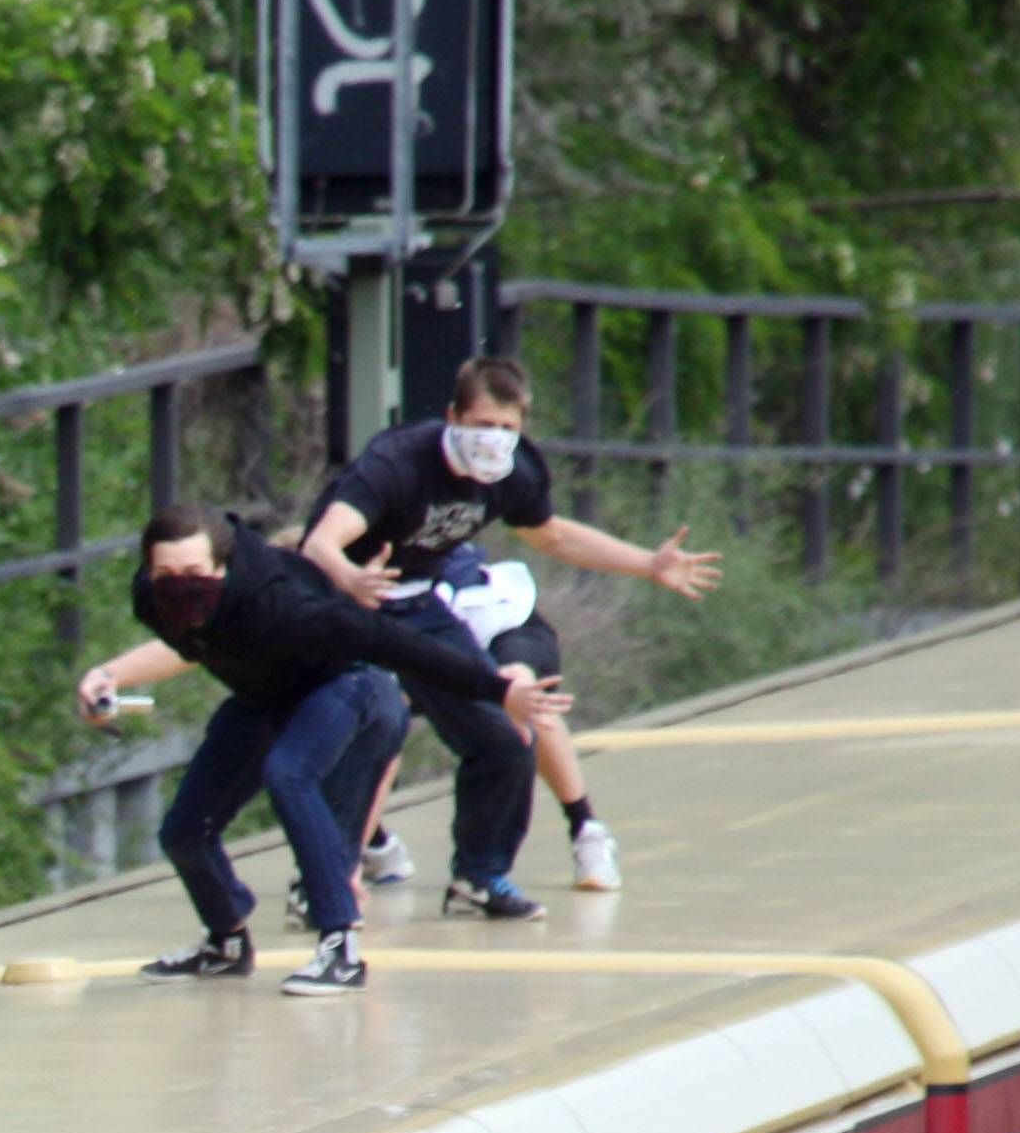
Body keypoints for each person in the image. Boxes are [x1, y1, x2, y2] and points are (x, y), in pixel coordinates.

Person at [77, 504, 573, 993]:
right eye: (166, 573)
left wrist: (497, 689)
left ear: (222, 568)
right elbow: (186, 648)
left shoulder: (283, 605)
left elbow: (395, 644)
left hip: (350, 685)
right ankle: (225, 941)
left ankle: (341, 946)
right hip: (264, 697)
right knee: (185, 830)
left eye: (194, 573)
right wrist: (109, 676)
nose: (179, 586)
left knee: (289, 774)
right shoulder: (151, 598)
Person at [305, 354, 717, 911]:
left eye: (507, 429)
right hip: (344, 603)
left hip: (415, 605)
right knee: (374, 727)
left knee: (503, 736)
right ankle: (320, 885)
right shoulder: (399, 462)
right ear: (453, 416)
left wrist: (648, 564)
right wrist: (352, 578)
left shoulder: (514, 472)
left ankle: (478, 877)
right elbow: (320, 543)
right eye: (481, 427)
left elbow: (553, 538)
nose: (493, 442)